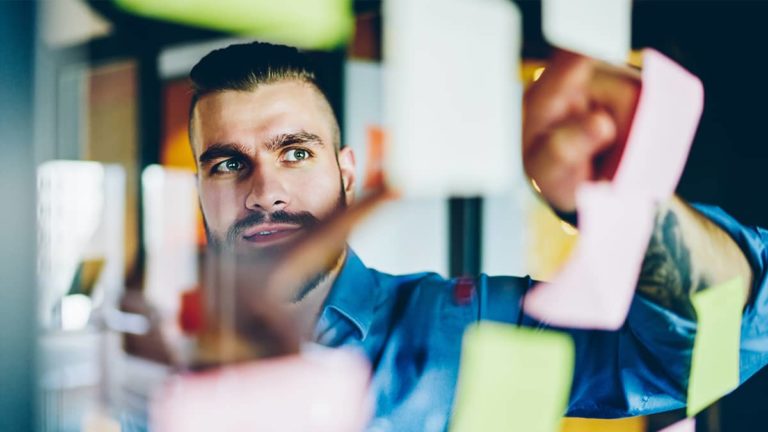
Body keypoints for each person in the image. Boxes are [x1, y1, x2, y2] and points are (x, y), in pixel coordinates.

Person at [184, 42, 768, 430]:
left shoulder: (470, 328)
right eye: (228, 164)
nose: (265, 193)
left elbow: (709, 356)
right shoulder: (151, 357)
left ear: (347, 172)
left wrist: (633, 206)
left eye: (296, 152)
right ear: (200, 189)